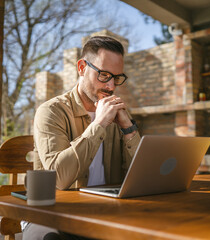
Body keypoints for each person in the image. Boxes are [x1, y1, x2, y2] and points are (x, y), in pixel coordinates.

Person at [22, 36, 141, 240]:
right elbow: (59, 178)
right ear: (81, 67)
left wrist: (128, 129)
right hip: (52, 213)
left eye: (117, 78)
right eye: (104, 75)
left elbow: (139, 177)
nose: (111, 86)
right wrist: (99, 125)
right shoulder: (51, 111)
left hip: (105, 213)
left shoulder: (117, 117)